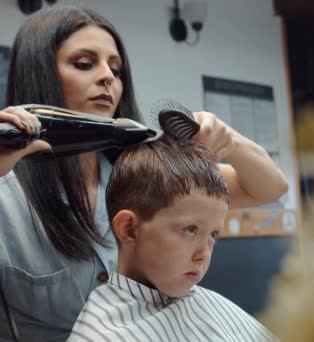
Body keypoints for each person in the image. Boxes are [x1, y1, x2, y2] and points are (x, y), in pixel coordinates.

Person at [0, 5, 287, 341]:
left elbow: (270, 189)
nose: (108, 76)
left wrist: (232, 141)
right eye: (84, 63)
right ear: (41, 75)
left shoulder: (140, 176)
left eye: (116, 68)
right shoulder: (7, 198)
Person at [68, 137, 274, 341]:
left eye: (213, 235)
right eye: (190, 230)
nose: (204, 254)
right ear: (129, 229)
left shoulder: (205, 302)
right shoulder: (100, 336)